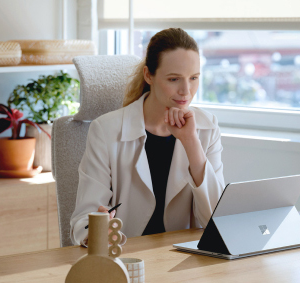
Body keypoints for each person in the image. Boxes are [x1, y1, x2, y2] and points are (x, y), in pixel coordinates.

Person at [70, 28, 225, 246]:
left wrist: (191, 143)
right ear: (148, 75)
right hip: (128, 259)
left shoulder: (207, 128)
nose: (186, 91)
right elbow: (83, 221)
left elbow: (217, 221)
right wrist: (98, 230)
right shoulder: (105, 130)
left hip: (183, 263)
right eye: (174, 79)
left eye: (194, 78)